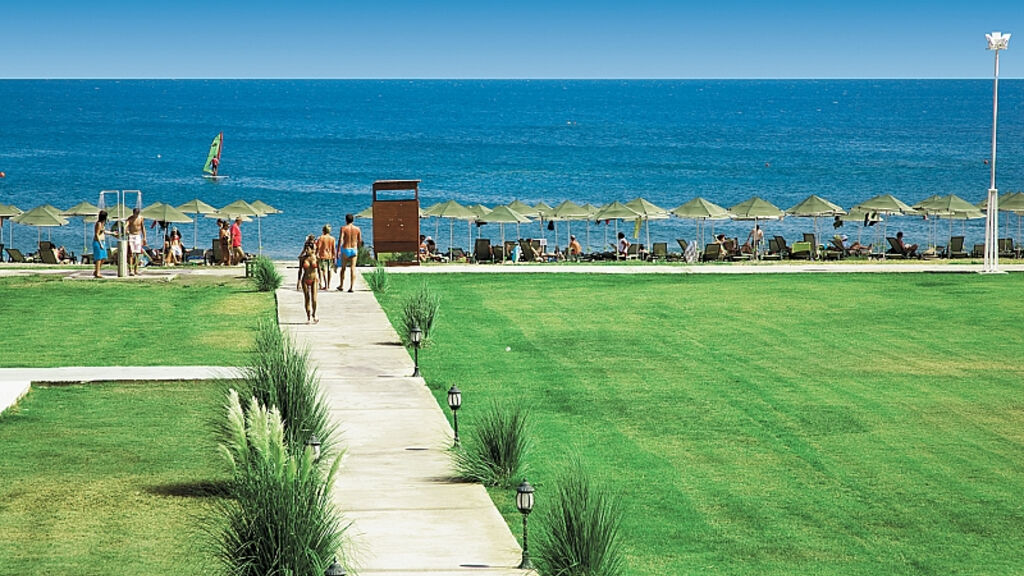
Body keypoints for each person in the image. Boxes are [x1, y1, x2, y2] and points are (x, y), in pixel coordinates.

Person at [297, 236, 320, 324]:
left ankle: (314, 314)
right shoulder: (303, 259)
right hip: (305, 279)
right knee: (307, 298)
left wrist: (321, 281)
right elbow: (300, 270)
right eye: (306, 249)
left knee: (314, 299)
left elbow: (319, 270)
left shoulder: (316, 258)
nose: (307, 251)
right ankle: (308, 317)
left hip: (314, 279)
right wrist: (298, 281)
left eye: (308, 249)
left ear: (312, 249)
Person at [338, 213, 361, 292]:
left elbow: (341, 239)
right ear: (353, 220)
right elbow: (359, 240)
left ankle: (341, 285)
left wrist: (338, 250)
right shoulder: (357, 229)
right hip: (354, 249)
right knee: (353, 268)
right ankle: (352, 287)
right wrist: (358, 248)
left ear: (346, 220)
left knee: (343, 268)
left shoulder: (343, 228)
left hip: (345, 249)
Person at [92, 210, 117, 278]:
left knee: (104, 258)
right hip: (98, 242)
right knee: (99, 258)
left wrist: (112, 233)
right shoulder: (99, 224)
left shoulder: (103, 224)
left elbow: (104, 232)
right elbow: (97, 234)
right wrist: (100, 244)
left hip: (102, 241)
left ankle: (96, 271)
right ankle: (97, 273)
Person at [125, 207, 146, 276]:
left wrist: (144, 237)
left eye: (137, 214)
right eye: (135, 214)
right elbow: (126, 225)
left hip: (138, 236)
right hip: (131, 235)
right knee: (131, 253)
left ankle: (136, 269)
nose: (136, 215)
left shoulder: (141, 218)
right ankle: (130, 270)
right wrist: (126, 230)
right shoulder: (130, 218)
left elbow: (143, 228)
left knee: (138, 253)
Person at [315, 224, 337, 290]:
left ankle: (325, 285)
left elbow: (318, 247)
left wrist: (316, 254)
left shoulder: (321, 238)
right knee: (329, 270)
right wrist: (334, 257)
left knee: (323, 270)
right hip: (330, 255)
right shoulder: (332, 238)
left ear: (323, 230)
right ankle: (328, 284)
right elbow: (333, 249)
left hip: (322, 255)